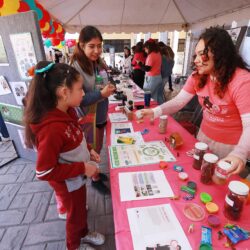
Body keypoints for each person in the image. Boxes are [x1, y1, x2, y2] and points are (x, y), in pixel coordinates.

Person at [139, 27, 250, 176]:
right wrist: (155, 111)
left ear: (220, 54)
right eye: (195, 55)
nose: (196, 60)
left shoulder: (242, 81)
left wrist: (240, 153)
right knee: (199, 175)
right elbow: (179, 101)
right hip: (203, 137)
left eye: (202, 55)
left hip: (230, 147)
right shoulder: (198, 76)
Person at [23, 61, 105, 250]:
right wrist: (83, 167)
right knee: (74, 217)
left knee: (79, 210)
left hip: (77, 178)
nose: (83, 93)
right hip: (69, 183)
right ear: (63, 92)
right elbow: (43, 172)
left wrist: (90, 150)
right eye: (79, 89)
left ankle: (84, 233)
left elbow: (76, 137)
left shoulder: (67, 111)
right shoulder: (51, 128)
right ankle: (74, 246)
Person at [70, 26, 115, 195]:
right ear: (81, 45)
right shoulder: (76, 68)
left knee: (98, 147)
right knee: (92, 149)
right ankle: (95, 179)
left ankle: (95, 172)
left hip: (101, 114)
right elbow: (78, 101)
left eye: (99, 46)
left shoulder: (98, 62)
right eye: (91, 46)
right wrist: (101, 94)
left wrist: (111, 86)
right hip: (89, 118)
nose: (97, 50)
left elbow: (107, 79)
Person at [140, 39, 163, 104]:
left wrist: (140, 64)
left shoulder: (151, 55)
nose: (145, 50)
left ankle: (148, 110)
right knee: (154, 97)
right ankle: (155, 111)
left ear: (149, 47)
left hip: (151, 78)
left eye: (145, 48)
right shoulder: (158, 53)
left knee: (147, 97)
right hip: (158, 77)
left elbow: (147, 68)